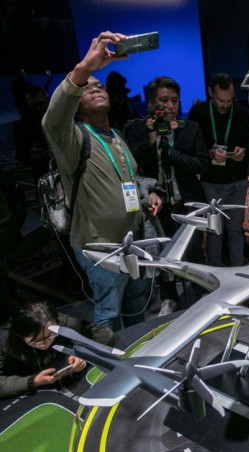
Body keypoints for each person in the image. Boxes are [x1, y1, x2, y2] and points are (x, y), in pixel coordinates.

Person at [42, 31, 162, 330]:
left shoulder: (117, 137)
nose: (95, 89)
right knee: (109, 314)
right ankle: (110, 371)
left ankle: (136, 361)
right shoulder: (73, 137)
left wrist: (147, 199)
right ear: (76, 104)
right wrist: (84, 70)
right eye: (87, 88)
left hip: (131, 242)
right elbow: (52, 120)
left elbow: (126, 183)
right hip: (99, 247)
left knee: (137, 308)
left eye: (100, 86)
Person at [124, 76, 209, 314]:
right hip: (155, 205)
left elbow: (201, 164)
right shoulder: (136, 129)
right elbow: (131, 167)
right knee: (162, 253)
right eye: (164, 100)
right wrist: (151, 139)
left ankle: (200, 289)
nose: (170, 105)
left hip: (186, 200)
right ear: (152, 102)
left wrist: (170, 153)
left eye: (174, 100)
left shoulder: (190, 128)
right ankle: (168, 297)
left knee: (193, 250)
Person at [187, 73, 249, 267]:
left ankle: (236, 269)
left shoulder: (241, 112)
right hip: (210, 181)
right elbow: (190, 149)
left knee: (235, 230)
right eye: (221, 100)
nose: (225, 105)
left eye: (230, 100)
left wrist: (244, 151)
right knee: (214, 230)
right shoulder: (198, 112)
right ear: (211, 92)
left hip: (237, 180)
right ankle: (214, 271)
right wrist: (209, 153)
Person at [0, 302, 114, 398]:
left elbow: (103, 333)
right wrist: (33, 381)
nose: (46, 343)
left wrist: (84, 355)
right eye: (37, 340)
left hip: (69, 382)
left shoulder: (58, 322)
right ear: (20, 335)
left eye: (52, 335)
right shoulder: (4, 342)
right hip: (27, 394)